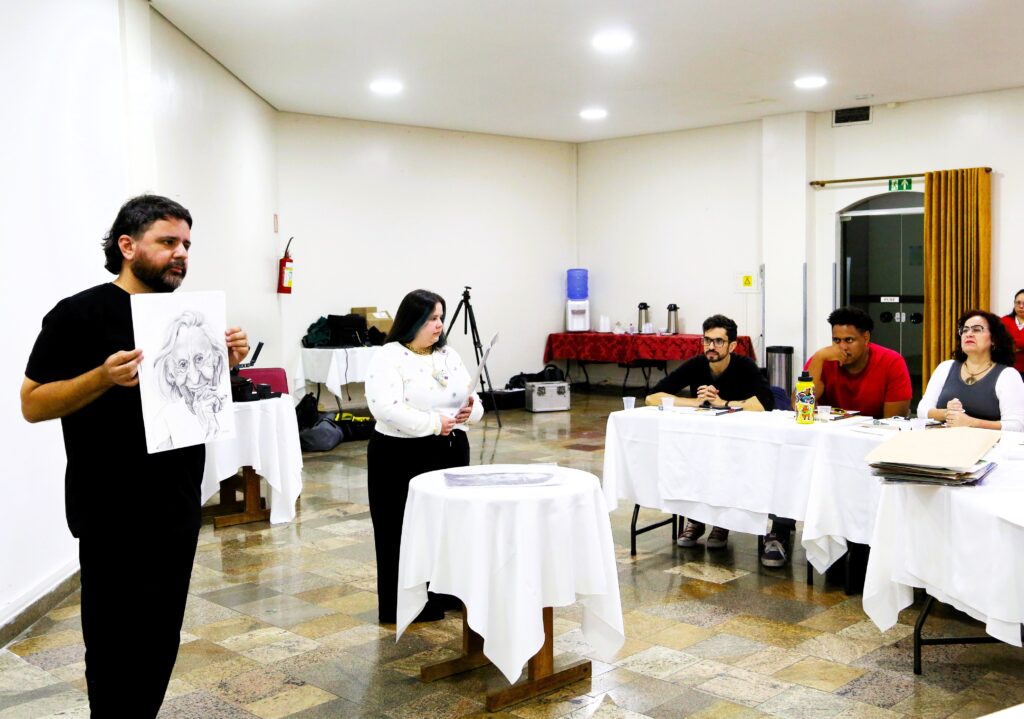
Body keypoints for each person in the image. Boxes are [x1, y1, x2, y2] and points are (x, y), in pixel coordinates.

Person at [20, 195, 249, 718]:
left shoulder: (188, 315)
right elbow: (32, 403)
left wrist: (227, 362)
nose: (181, 254)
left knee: (159, 639)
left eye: (187, 244)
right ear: (127, 246)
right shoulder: (77, 314)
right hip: (111, 510)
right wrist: (101, 378)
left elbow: (192, 400)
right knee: (113, 646)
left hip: (175, 506)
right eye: (168, 242)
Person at [364, 289, 484, 624]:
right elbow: (385, 408)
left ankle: (446, 591)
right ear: (412, 321)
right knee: (400, 530)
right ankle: (406, 603)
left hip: (449, 450)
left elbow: (471, 397)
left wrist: (470, 412)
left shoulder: (448, 354)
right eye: (432, 318)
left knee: (447, 527)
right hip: (401, 454)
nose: (439, 325)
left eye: (441, 318)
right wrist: (434, 423)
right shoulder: (389, 356)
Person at [645, 314, 774, 558]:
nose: (711, 347)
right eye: (707, 341)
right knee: (690, 459)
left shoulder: (744, 366)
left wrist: (722, 403)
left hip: (740, 440)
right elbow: (652, 397)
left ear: (732, 346)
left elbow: (765, 403)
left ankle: (721, 522)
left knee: (723, 464)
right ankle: (696, 519)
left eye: (718, 341)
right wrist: (696, 401)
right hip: (703, 438)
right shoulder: (696, 364)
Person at [918, 309, 1024, 431]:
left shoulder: (1007, 375)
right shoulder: (945, 367)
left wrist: (971, 422)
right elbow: (922, 409)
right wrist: (947, 413)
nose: (968, 334)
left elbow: (1017, 425)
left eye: (977, 330)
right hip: (944, 442)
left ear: (994, 339)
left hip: (990, 446)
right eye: (965, 330)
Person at [804, 306, 912, 420]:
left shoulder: (891, 362)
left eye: (849, 340)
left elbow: (894, 422)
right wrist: (818, 357)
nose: (842, 347)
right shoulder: (822, 359)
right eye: (836, 340)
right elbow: (798, 407)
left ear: (866, 338)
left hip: (876, 433)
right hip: (831, 432)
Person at [1000, 289, 1024, 374]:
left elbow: (1007, 343)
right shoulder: (1003, 321)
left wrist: (1010, 344)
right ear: (1014, 303)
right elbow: (999, 343)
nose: (1021, 306)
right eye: (1018, 303)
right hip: (1005, 369)